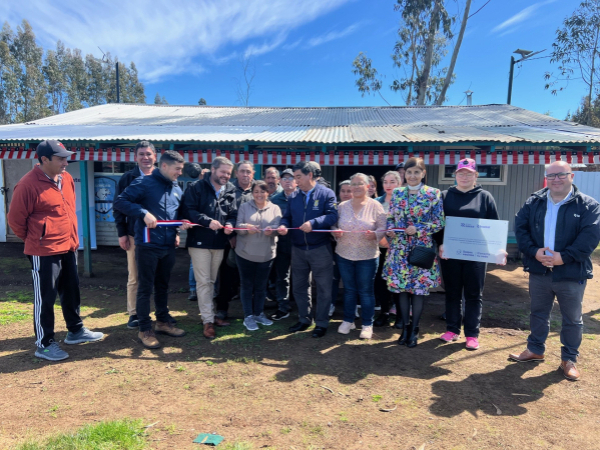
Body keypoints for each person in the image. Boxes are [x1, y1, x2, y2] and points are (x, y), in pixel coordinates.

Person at [7, 140, 104, 361]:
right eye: (60, 158)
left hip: (68, 245)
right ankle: (44, 344)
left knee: (71, 290)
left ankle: (75, 330)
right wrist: (37, 238)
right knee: (46, 297)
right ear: (44, 159)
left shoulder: (66, 178)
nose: (66, 162)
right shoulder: (27, 184)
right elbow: (15, 221)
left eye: (66, 158)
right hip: (43, 251)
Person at [509, 161, 600, 381]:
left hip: (571, 273)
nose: (556, 179)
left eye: (561, 174)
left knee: (572, 318)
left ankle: (569, 359)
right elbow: (520, 228)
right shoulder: (534, 201)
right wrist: (533, 251)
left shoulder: (588, 205)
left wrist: (564, 257)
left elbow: (590, 237)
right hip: (539, 270)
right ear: (546, 178)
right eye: (551, 176)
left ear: (572, 176)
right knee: (538, 312)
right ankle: (535, 349)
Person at [114, 150, 190, 349]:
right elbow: (120, 202)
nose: (179, 173)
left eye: (181, 169)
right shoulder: (144, 182)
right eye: (177, 169)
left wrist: (180, 225)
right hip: (147, 245)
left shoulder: (176, 187)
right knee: (145, 288)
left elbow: (175, 213)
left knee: (163, 286)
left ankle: (163, 322)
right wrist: (142, 212)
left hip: (168, 246)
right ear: (164, 166)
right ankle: (145, 329)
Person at [434, 159, 504, 351]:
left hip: (476, 254)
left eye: (469, 173)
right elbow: (437, 223)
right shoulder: (444, 196)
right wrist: (441, 243)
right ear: (455, 175)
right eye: (461, 173)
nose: (464, 177)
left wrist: (498, 249)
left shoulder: (485, 197)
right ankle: (452, 329)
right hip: (450, 253)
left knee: (473, 294)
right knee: (452, 293)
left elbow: (494, 225)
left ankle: (472, 334)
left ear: (476, 176)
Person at [383, 157, 445, 348]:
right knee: (401, 290)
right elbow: (391, 217)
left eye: (416, 172)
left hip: (421, 249)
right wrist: (390, 229)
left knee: (418, 290)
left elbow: (439, 222)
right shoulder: (397, 193)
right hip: (400, 249)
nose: (412, 176)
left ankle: (415, 329)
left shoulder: (433, 194)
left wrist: (418, 228)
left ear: (423, 173)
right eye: (409, 172)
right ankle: (404, 327)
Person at [278, 161, 338, 338]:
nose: (295, 181)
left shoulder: (326, 193)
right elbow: (287, 217)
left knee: (324, 288)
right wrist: (283, 225)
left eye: (298, 177)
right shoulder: (294, 197)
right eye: (294, 177)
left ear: (310, 175)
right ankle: (304, 319)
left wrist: (313, 223)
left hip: (320, 248)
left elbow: (333, 215)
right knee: (299, 286)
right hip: (298, 249)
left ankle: (321, 323)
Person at [181, 156, 238, 339]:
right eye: (223, 172)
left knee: (212, 281)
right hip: (199, 242)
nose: (226, 176)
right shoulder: (196, 187)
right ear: (213, 170)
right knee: (204, 282)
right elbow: (189, 210)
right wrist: (207, 221)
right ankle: (207, 321)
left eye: (228, 173)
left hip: (219, 242)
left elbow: (233, 213)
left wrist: (230, 224)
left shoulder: (230, 189)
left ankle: (210, 315)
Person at [332, 173, 386, 339]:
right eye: (353, 184)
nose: (355, 187)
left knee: (365, 291)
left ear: (368, 186)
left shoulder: (375, 205)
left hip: (367, 256)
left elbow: (383, 227)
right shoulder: (342, 206)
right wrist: (335, 231)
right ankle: (348, 320)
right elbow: (333, 224)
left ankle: (367, 324)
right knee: (349, 290)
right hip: (344, 254)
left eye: (359, 184)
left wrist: (375, 235)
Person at [114, 141, 157, 329]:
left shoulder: (161, 177)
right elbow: (118, 207)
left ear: (155, 156)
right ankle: (134, 313)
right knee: (135, 276)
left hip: (157, 236)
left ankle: (156, 312)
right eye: (141, 154)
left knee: (156, 276)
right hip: (134, 235)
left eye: (148, 154)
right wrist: (122, 233)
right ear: (135, 157)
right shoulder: (128, 178)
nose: (145, 158)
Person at [235, 180, 283, 330]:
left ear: (268, 193)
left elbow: (278, 226)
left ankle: (258, 313)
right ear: (252, 193)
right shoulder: (244, 207)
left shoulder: (275, 208)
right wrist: (246, 228)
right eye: (256, 191)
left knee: (261, 286)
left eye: (262, 191)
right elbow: (237, 226)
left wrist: (272, 231)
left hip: (266, 255)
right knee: (247, 285)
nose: (259, 194)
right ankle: (248, 316)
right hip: (245, 254)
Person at [373, 171, 402, 328]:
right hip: (380, 248)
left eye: (392, 182)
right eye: (385, 182)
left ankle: (400, 315)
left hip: (398, 249)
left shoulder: (404, 201)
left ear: (399, 183)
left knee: (397, 282)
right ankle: (384, 312)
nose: (388, 185)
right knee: (380, 282)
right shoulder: (377, 202)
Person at [269, 169, 297, 320]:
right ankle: (283, 307)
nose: (287, 181)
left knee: (301, 277)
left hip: (299, 244)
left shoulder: (302, 197)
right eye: (284, 178)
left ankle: (302, 307)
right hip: (281, 244)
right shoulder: (274, 200)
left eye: (291, 178)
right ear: (280, 181)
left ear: (296, 181)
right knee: (282, 277)